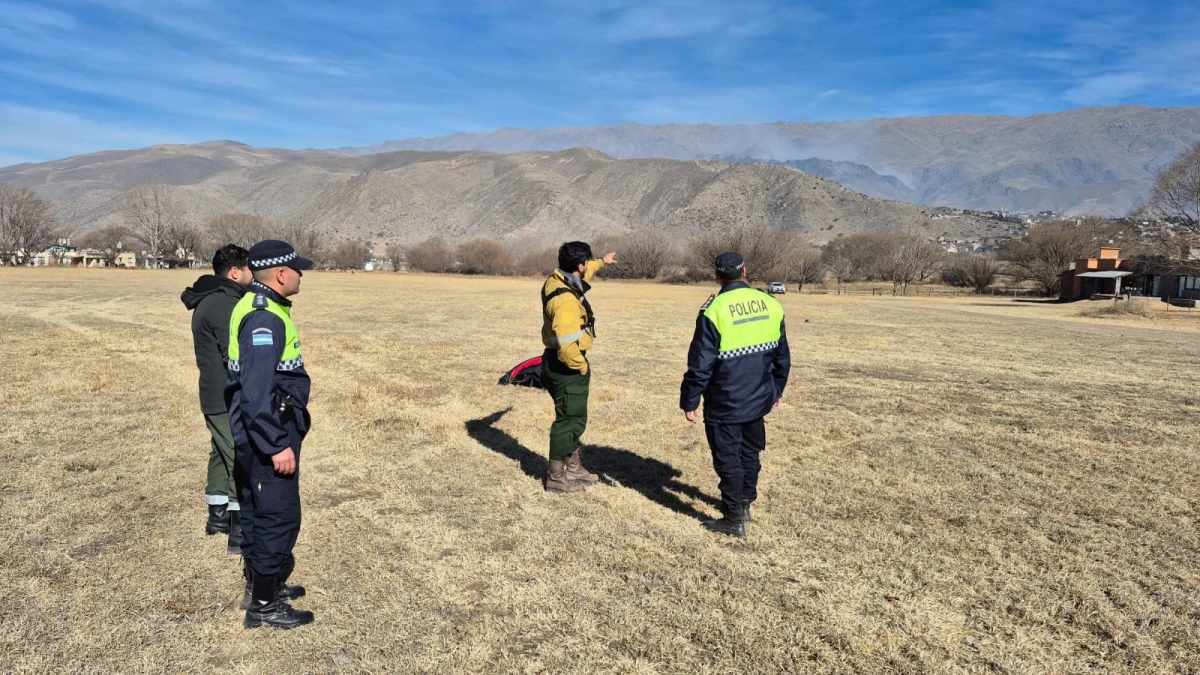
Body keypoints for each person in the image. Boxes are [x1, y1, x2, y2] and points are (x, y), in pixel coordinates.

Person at [226, 240, 314, 629]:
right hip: (265, 436)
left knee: (257, 511)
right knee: (277, 517)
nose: (301, 274)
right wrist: (277, 443)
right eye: (297, 269)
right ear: (281, 274)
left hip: (254, 434)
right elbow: (257, 391)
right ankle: (264, 604)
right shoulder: (265, 318)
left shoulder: (258, 306)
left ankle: (264, 585)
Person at [679, 252, 790, 538]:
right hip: (759, 398)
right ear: (745, 271)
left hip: (724, 401)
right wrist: (776, 390)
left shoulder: (713, 310)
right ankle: (745, 504)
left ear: (717, 275)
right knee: (750, 453)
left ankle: (732, 518)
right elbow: (782, 357)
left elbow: (700, 364)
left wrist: (690, 399)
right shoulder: (770, 303)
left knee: (728, 458)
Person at [181, 245, 251, 554]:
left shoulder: (212, 298)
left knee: (221, 453)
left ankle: (218, 516)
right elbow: (233, 356)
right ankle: (239, 529)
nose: (254, 274)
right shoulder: (224, 303)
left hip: (213, 393)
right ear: (235, 272)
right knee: (238, 454)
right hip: (225, 395)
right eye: (250, 268)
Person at [540, 241, 617, 493]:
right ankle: (556, 477)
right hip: (567, 366)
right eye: (588, 263)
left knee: (573, 417)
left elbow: (587, 270)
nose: (588, 266)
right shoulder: (566, 301)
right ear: (579, 266)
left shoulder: (559, 279)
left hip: (558, 362)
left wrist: (602, 262)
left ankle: (572, 468)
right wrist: (580, 366)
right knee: (569, 421)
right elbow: (566, 345)